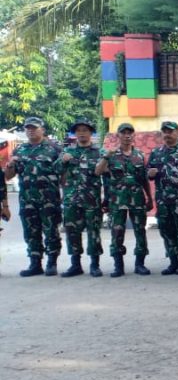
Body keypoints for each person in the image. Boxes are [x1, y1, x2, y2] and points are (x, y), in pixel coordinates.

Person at [5, 117, 63, 276]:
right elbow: (9, 176)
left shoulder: (54, 149)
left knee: (51, 231)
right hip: (27, 199)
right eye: (28, 128)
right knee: (30, 232)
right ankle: (35, 263)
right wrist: (10, 164)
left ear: (42, 130)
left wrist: (64, 196)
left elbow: (64, 176)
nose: (30, 131)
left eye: (34, 128)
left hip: (49, 199)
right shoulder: (20, 150)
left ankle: (52, 262)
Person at [96, 123, 153, 277]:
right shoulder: (110, 154)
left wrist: (149, 198)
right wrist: (106, 157)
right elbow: (98, 171)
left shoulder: (139, 155)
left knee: (140, 231)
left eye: (130, 133)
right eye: (124, 133)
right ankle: (118, 266)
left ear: (133, 135)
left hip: (137, 199)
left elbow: (144, 179)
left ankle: (140, 264)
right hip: (117, 200)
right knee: (117, 232)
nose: (127, 136)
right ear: (118, 135)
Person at [58, 117, 105, 277]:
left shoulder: (99, 152)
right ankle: (75, 265)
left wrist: (107, 198)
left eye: (85, 130)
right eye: (78, 130)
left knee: (94, 232)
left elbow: (107, 175)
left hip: (92, 200)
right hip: (72, 200)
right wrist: (63, 161)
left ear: (91, 132)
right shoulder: (68, 151)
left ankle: (95, 265)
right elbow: (56, 169)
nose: (81, 133)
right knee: (72, 232)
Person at [147, 121, 178, 275]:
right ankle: (173, 261)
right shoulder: (156, 153)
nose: (167, 134)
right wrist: (150, 174)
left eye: (170, 131)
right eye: (165, 131)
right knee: (166, 231)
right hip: (163, 200)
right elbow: (148, 173)